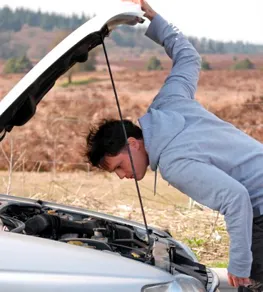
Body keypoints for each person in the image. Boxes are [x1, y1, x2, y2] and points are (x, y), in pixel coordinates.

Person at [85, 0, 263, 290]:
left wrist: (240, 265)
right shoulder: (169, 102)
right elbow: (189, 58)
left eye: (119, 166)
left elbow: (236, 199)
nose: (122, 176)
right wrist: (156, 19)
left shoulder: (173, 164)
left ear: (133, 143)